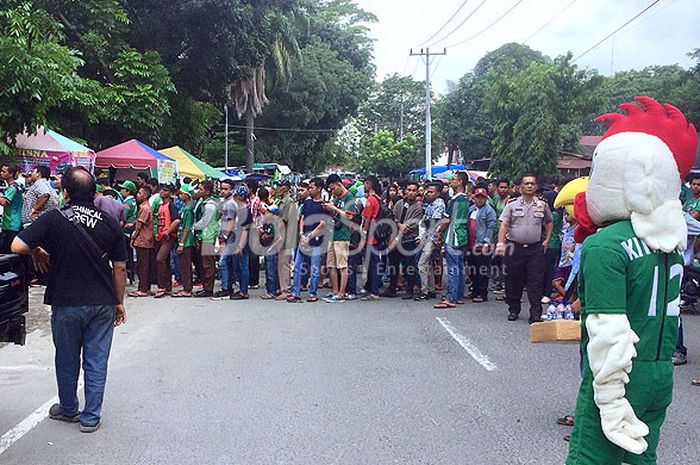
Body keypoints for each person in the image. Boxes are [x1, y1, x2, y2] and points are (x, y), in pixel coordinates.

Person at [11, 166, 126, 433]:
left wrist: (37, 249)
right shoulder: (110, 222)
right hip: (101, 303)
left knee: (66, 357)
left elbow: (17, 246)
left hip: (65, 302)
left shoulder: (53, 218)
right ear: (95, 192)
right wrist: (118, 302)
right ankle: (91, 417)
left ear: (64, 193)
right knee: (96, 360)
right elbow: (120, 268)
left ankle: (69, 408)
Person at [496, 174, 553, 323]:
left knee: (536, 281)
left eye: (532, 184)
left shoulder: (542, 205)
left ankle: (535, 314)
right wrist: (500, 244)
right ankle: (513, 309)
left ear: (535, 187)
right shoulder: (512, 205)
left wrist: (546, 240)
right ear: (521, 187)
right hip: (515, 247)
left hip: (535, 249)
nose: (529, 186)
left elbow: (549, 222)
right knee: (513, 280)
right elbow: (504, 225)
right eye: (526, 184)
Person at [288, 178, 328, 303]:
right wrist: (301, 233)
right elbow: (302, 219)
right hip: (304, 239)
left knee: (314, 268)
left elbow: (322, 224)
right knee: (298, 267)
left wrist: (309, 235)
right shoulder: (307, 203)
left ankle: (313, 293)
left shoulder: (324, 205)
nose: (309, 190)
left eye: (312, 187)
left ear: (319, 188)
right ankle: (296, 292)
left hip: (315, 240)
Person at [435, 172, 471, 309]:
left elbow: (447, 219)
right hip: (461, 235)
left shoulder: (455, 200)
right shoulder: (466, 199)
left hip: (453, 235)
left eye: (454, 179)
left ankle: (451, 297)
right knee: (460, 267)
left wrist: (439, 230)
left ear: (460, 182)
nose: (451, 182)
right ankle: (459, 295)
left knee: (452, 268)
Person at [384, 180, 422, 299]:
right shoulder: (399, 203)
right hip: (395, 236)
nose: (411, 193)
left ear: (417, 192)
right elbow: (393, 217)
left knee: (408, 265)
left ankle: (409, 289)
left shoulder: (418, 208)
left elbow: (411, 226)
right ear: (405, 191)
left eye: (414, 191)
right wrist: (399, 225)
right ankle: (392, 288)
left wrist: (401, 225)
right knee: (393, 264)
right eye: (409, 190)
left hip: (409, 240)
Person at [323, 174, 357, 303]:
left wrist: (334, 208)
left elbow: (349, 217)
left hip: (342, 235)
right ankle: (335, 291)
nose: (332, 191)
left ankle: (342, 293)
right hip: (332, 234)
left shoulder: (349, 197)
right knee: (331, 265)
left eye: (333, 188)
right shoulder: (336, 198)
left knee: (342, 266)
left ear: (339, 184)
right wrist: (329, 208)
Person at [416, 183, 446, 301]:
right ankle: (431, 289)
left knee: (422, 264)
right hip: (428, 235)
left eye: (431, 192)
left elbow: (432, 221)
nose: (428, 194)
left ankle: (425, 291)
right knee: (428, 264)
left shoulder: (439, 203)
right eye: (428, 192)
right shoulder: (430, 205)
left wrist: (425, 222)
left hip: (433, 238)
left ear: (438, 193)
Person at [467, 187, 497, 303]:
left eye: (482, 198)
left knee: (482, 270)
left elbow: (491, 228)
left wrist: (486, 243)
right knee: (473, 269)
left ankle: (482, 293)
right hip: (471, 244)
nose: (479, 200)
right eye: (477, 197)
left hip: (483, 246)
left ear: (486, 198)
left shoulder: (489, 211)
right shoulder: (471, 209)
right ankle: (474, 291)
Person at [192, 181, 219, 298]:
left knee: (208, 264)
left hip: (208, 236)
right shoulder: (202, 202)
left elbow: (204, 222)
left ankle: (208, 288)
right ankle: (205, 286)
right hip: (203, 235)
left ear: (207, 192)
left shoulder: (210, 206)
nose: (198, 191)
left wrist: (192, 227)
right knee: (203, 263)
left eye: (201, 189)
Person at [361, 176, 386, 301]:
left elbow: (367, 218)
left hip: (371, 236)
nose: (363, 186)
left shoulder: (371, 199)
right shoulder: (378, 198)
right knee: (374, 263)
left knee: (373, 264)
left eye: (365, 184)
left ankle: (374, 291)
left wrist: (363, 234)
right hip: (377, 235)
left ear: (369, 185)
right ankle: (372, 289)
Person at [153, 184, 180, 298]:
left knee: (160, 259)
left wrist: (168, 232)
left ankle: (162, 286)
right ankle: (168, 287)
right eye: (162, 189)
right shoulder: (160, 205)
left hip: (169, 237)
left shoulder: (171, 205)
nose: (162, 192)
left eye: (165, 190)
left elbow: (177, 220)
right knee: (165, 260)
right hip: (160, 236)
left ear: (171, 193)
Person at [212, 179, 237, 299]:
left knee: (222, 262)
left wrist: (225, 236)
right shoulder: (224, 202)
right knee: (226, 262)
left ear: (231, 189)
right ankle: (228, 286)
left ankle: (225, 288)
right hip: (224, 235)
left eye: (226, 189)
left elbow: (231, 221)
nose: (223, 191)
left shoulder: (231, 203)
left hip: (230, 237)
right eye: (221, 188)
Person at [275, 180, 298, 300]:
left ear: (287, 188)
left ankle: (286, 290)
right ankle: (283, 287)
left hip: (286, 237)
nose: (278, 188)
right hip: (283, 237)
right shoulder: (283, 201)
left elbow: (283, 222)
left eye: (280, 186)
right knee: (281, 264)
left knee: (284, 265)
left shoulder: (289, 202)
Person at [129, 186, 154, 297]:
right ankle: (145, 287)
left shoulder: (145, 208)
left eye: (139, 193)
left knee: (142, 265)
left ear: (145, 195)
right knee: (144, 264)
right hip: (146, 240)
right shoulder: (145, 207)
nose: (137, 195)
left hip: (143, 240)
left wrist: (134, 236)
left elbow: (140, 225)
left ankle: (143, 289)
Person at [229, 185, 252, 300]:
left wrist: (240, 246)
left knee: (243, 266)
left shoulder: (245, 211)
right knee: (237, 265)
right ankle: (242, 288)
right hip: (236, 239)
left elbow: (245, 230)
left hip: (242, 242)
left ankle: (244, 291)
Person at [173, 184, 195, 298]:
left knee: (185, 265)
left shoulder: (188, 209)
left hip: (186, 240)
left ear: (187, 195)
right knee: (184, 264)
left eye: (182, 193)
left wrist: (181, 243)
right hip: (183, 238)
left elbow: (186, 227)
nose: (180, 195)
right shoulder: (185, 207)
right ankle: (186, 287)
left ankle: (187, 289)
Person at [0, 164, 24, 254]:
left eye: (4, 172)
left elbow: (3, 202)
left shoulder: (12, 188)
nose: (1, 173)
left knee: (6, 252)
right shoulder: (17, 186)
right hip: (9, 223)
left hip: (11, 224)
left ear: (11, 174)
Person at [245, 178, 262, 290]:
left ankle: (253, 280)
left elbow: (253, 216)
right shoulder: (246, 200)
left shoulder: (255, 201)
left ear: (251, 189)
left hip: (254, 229)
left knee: (253, 256)